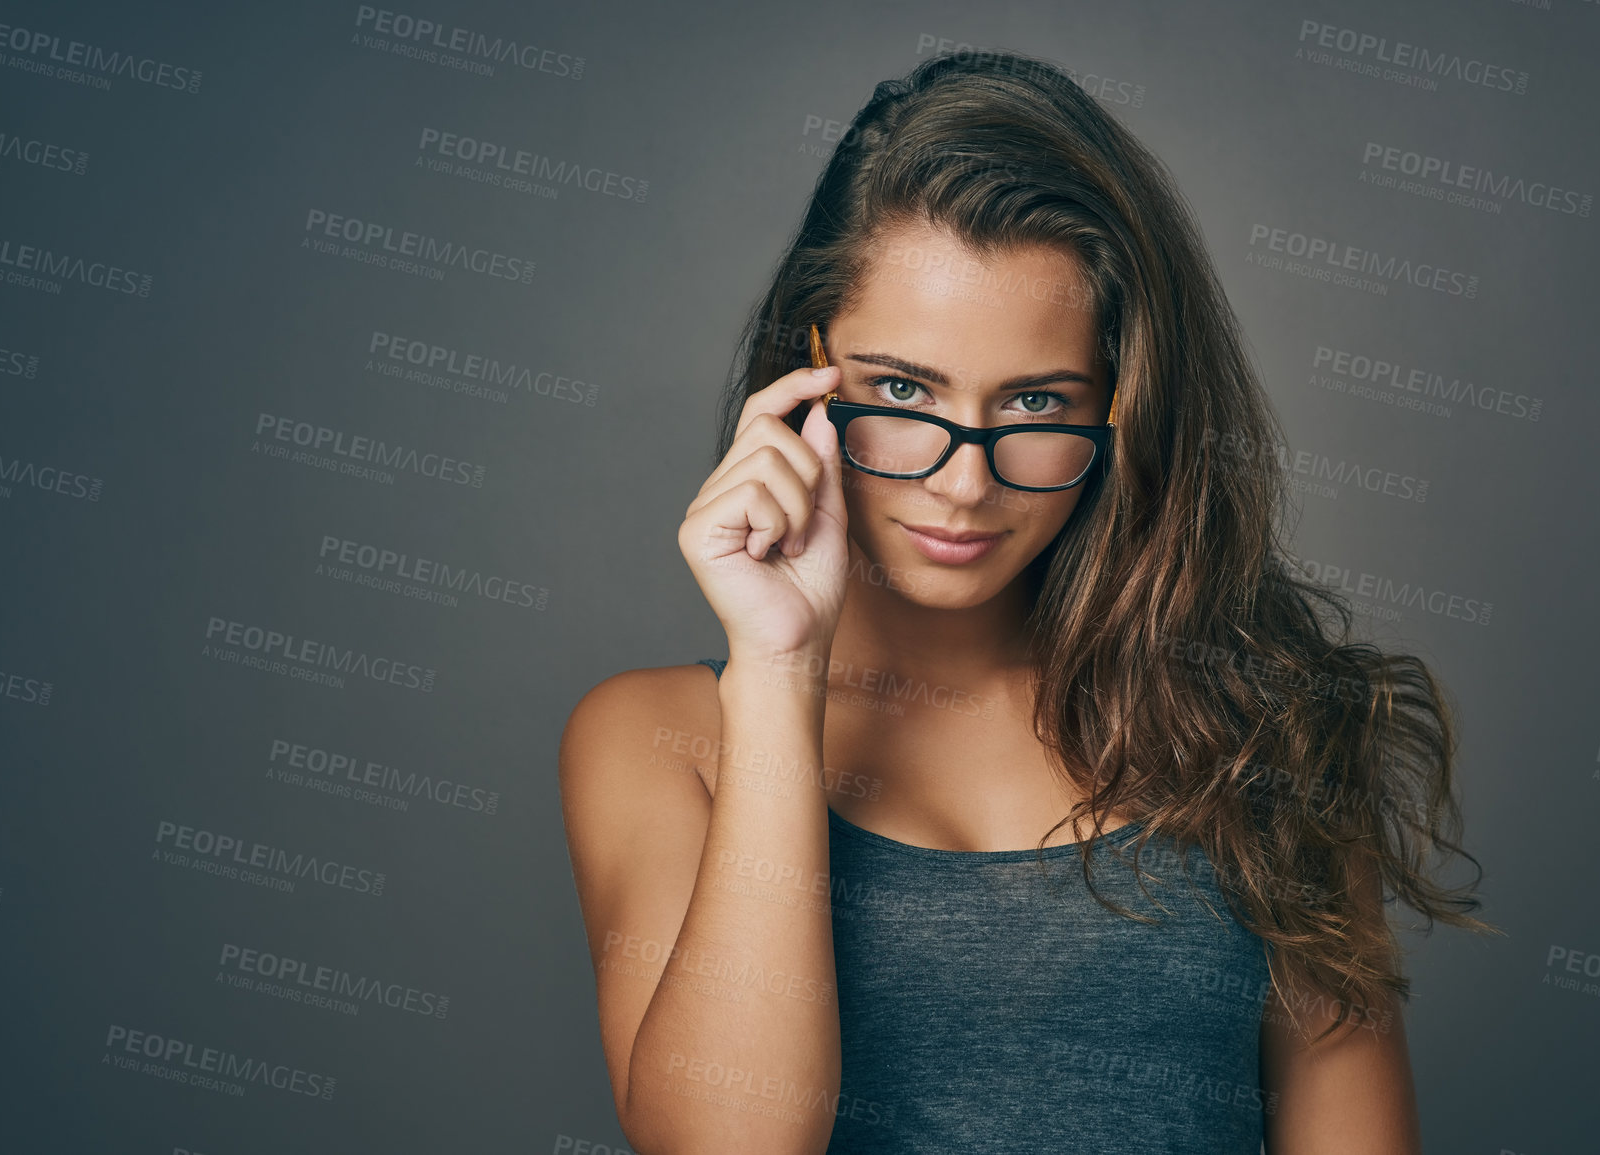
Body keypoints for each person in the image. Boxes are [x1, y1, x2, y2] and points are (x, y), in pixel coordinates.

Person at [559, 49, 1493, 1154]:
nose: (966, 481)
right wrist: (777, 667)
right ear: (807, 368)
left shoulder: (1263, 736)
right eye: (903, 390)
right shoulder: (655, 741)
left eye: (1038, 402)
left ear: (1123, 412)